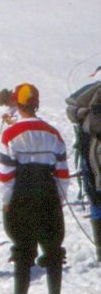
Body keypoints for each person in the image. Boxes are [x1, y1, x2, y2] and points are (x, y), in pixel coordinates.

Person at [0, 83, 69, 294]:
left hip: (21, 198)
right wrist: (59, 201)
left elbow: (5, 175)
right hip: (48, 197)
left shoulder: (11, 134)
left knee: (23, 254)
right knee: (54, 254)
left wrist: (7, 202)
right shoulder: (53, 133)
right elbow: (63, 175)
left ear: (17, 104)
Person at [65, 79, 101, 261]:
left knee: (96, 203)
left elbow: (71, 105)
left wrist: (81, 113)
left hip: (93, 164)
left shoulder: (91, 91)